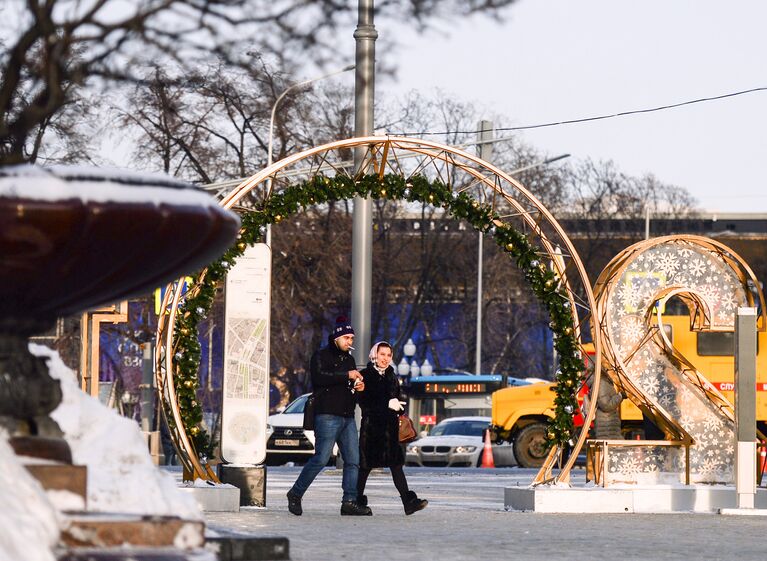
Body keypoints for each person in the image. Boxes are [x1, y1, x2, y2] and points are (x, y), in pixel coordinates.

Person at [286, 316, 372, 516]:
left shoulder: (349, 359)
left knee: (353, 460)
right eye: (347, 338)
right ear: (337, 337)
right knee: (321, 458)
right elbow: (319, 378)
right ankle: (295, 493)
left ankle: (349, 501)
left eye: (352, 338)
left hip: (347, 416)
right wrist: (346, 376)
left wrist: (358, 386)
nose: (350, 342)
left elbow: (347, 386)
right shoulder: (321, 355)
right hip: (326, 415)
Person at [356, 341, 428, 515]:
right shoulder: (365, 375)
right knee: (365, 468)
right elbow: (365, 404)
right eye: (382, 354)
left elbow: (398, 401)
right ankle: (355, 501)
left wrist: (399, 406)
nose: (385, 358)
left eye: (389, 355)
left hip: (390, 430)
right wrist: (388, 403)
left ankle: (408, 502)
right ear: (374, 355)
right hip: (372, 430)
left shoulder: (392, 376)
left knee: (396, 466)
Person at [583, 366, 625, 440]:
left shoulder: (598, 383)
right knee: (610, 447)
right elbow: (606, 406)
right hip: (607, 424)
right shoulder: (601, 383)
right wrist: (620, 396)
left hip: (605, 423)